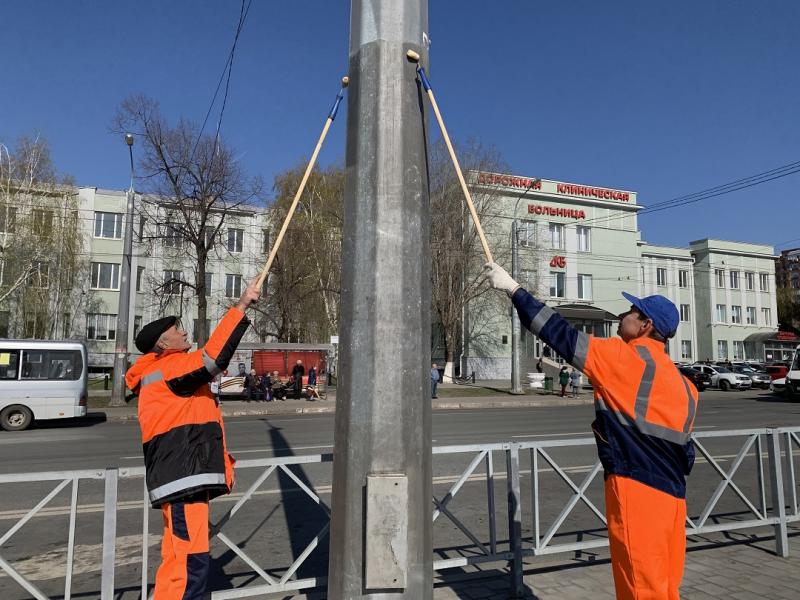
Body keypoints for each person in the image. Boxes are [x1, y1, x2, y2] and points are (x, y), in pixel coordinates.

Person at [484, 262, 698, 600]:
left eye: (631, 310)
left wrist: (513, 289)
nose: (623, 315)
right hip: (674, 501)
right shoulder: (686, 386)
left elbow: (558, 333)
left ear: (646, 325)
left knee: (640, 591)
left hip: (637, 491)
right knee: (665, 589)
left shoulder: (621, 357)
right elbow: (687, 452)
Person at [125, 277, 260, 600]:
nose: (184, 332)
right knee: (189, 561)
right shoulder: (168, 369)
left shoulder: (158, 372)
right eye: (177, 329)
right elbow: (212, 359)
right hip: (183, 477)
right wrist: (240, 306)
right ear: (162, 344)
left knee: (177, 558)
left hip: (179, 478)